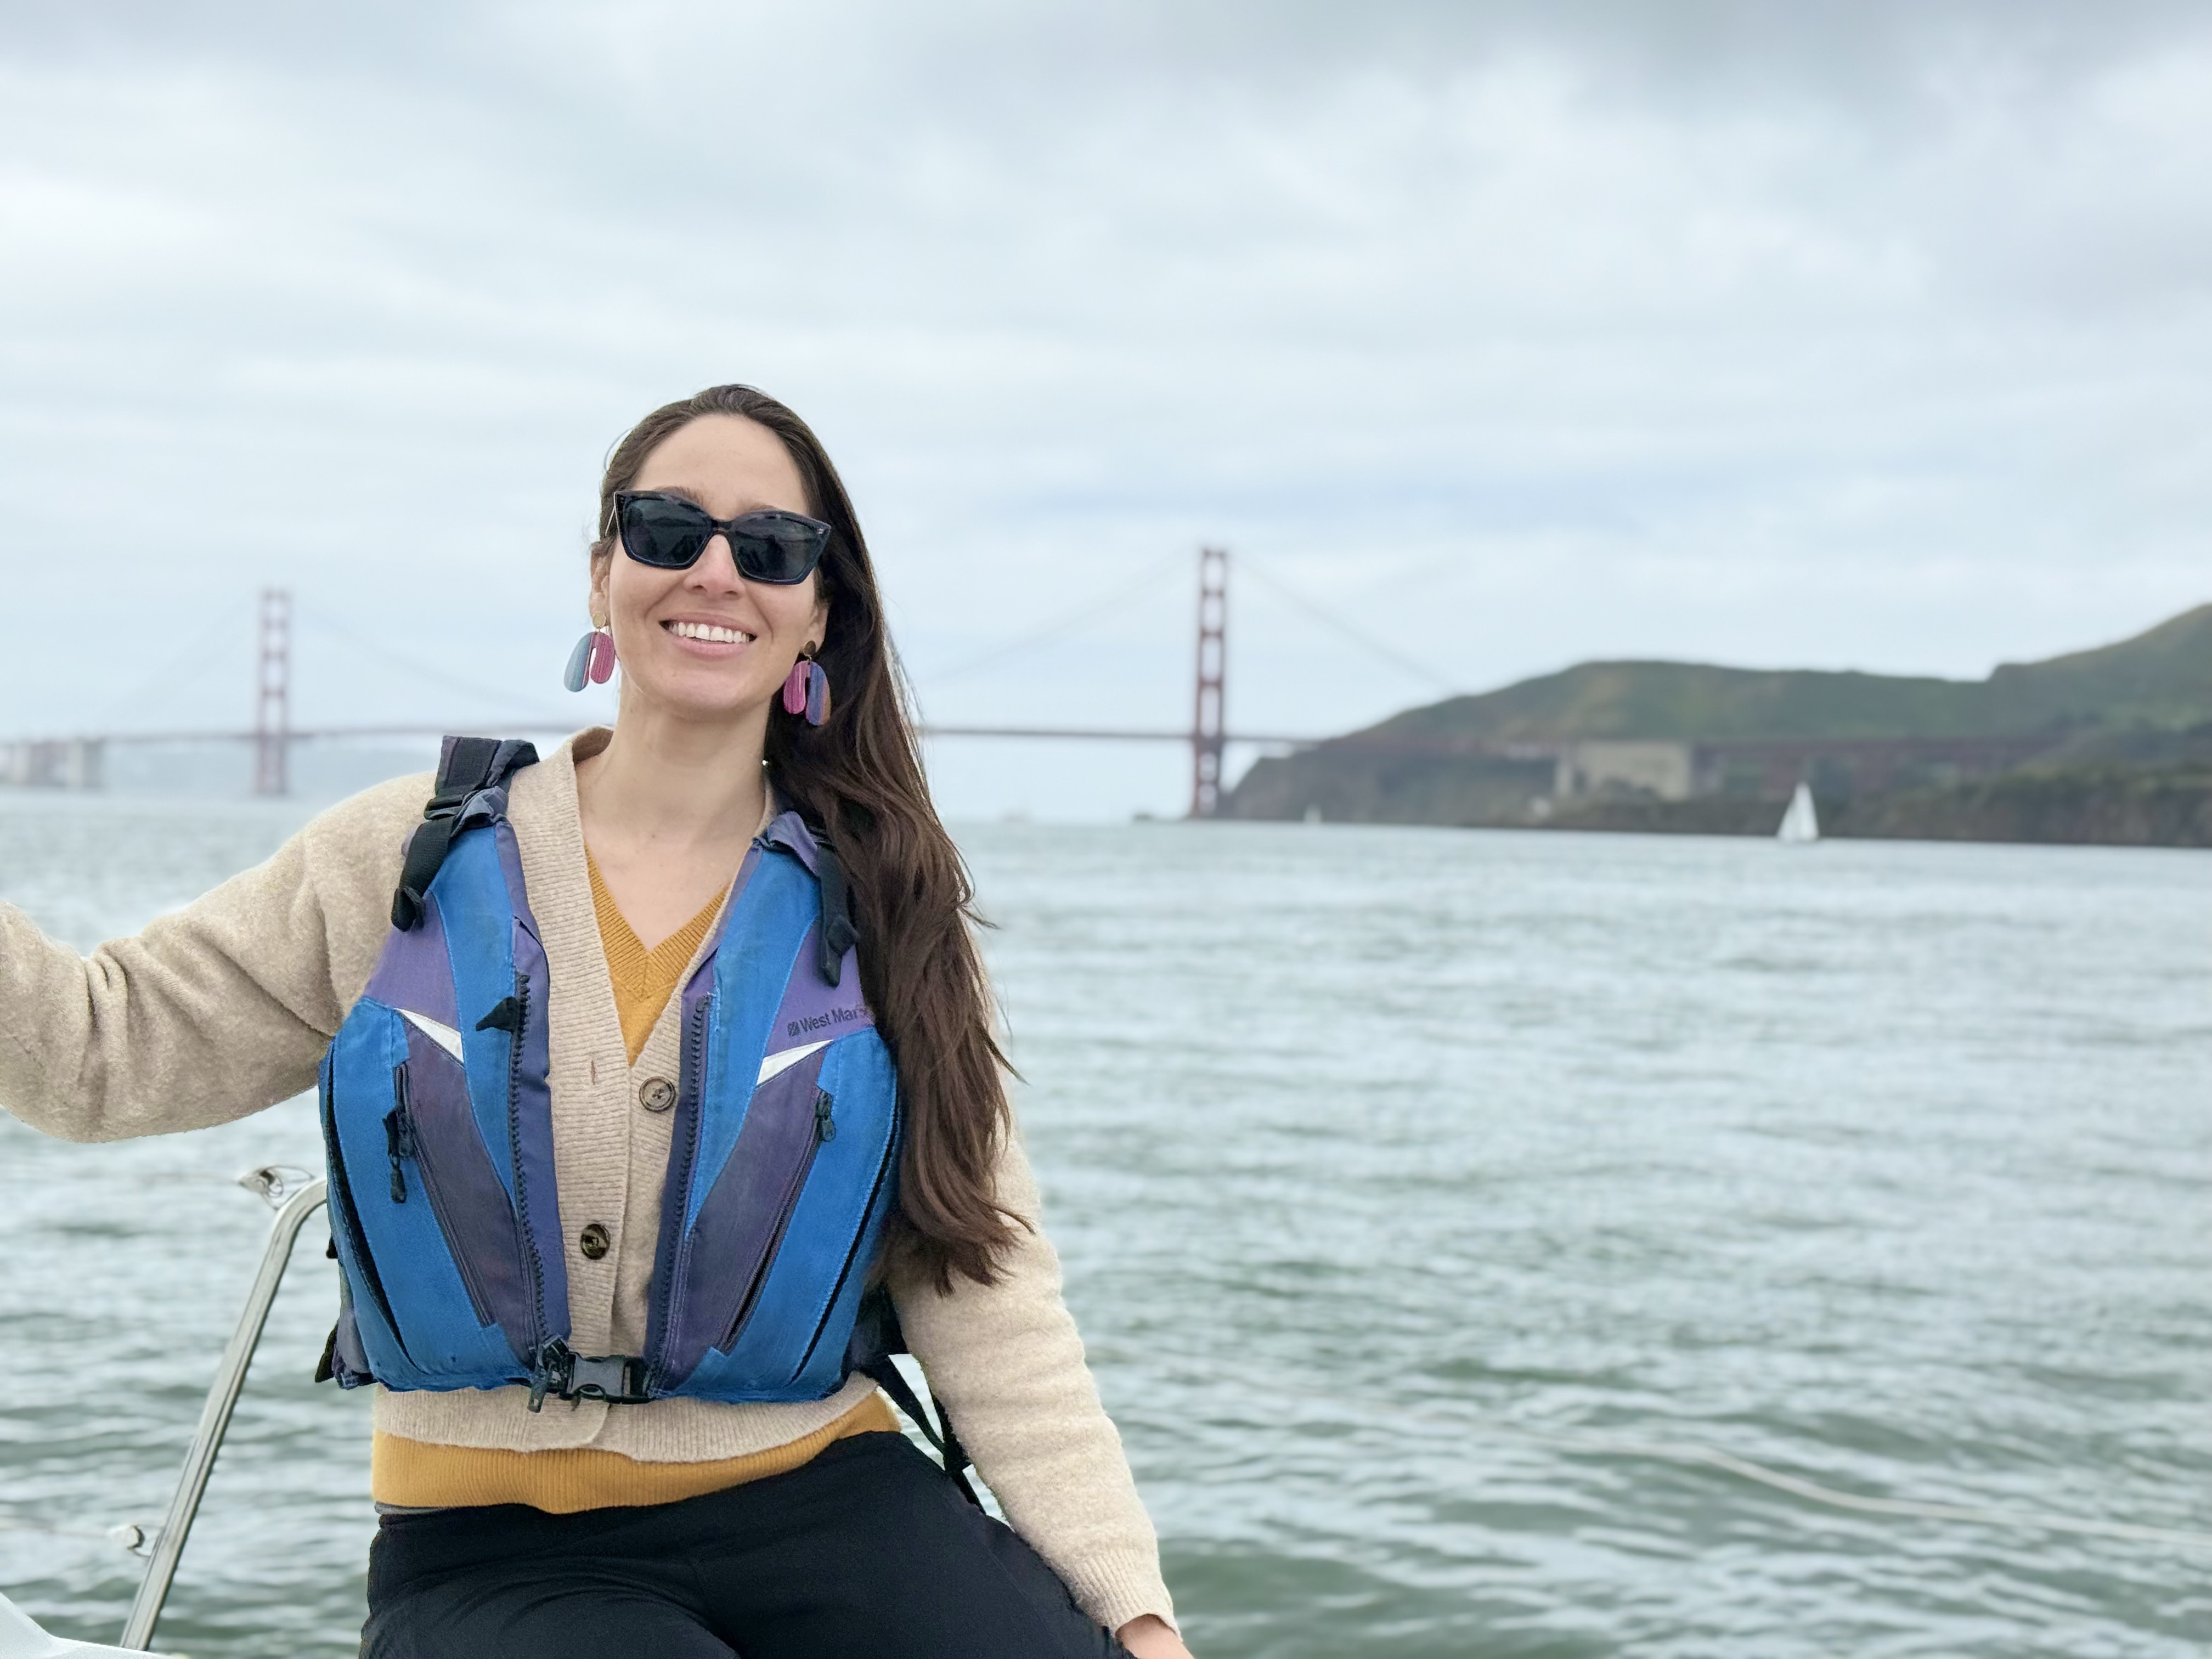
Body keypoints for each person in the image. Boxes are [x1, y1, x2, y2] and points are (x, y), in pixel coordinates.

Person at [0, 384, 1192, 1659]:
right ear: (601, 575)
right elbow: (92, 1055)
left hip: (833, 1499)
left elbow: (985, 1285)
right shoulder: (399, 858)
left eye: (772, 547)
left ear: (818, 615)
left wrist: (1134, 1608)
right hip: (498, 1553)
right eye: (668, 529)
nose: (717, 571)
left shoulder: (887, 898)